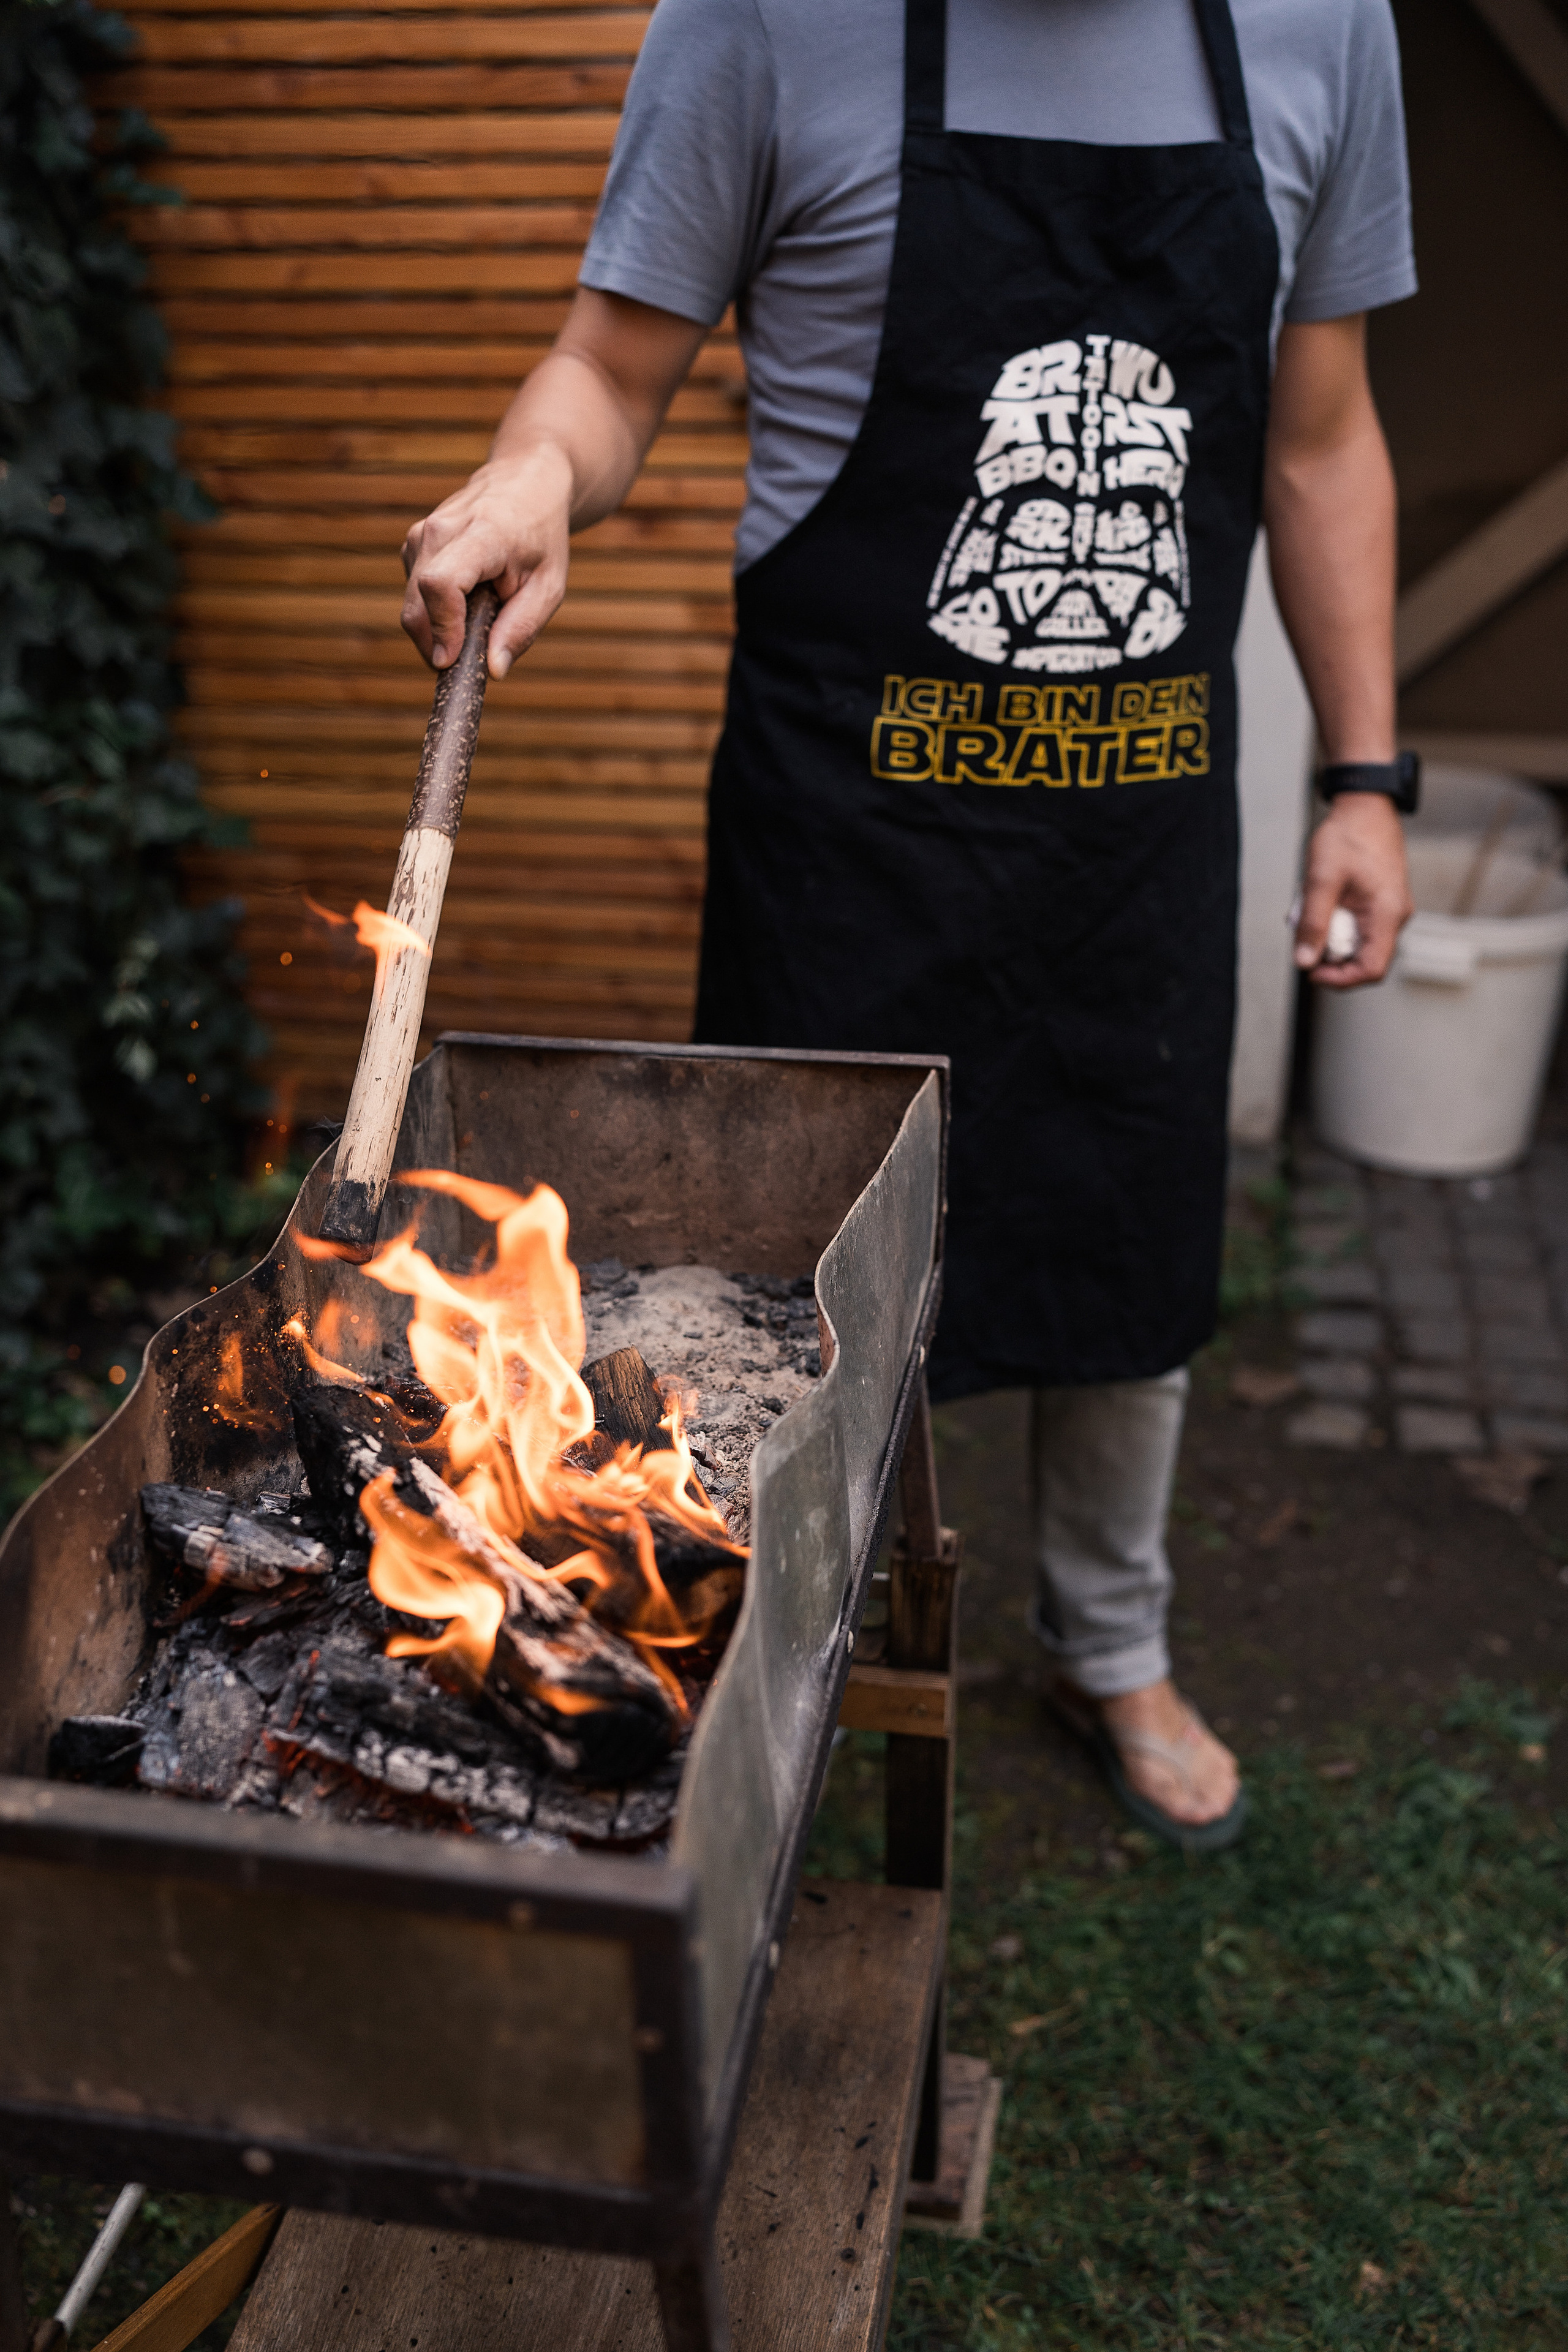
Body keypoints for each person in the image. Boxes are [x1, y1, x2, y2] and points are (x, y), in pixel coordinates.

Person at [400, 0, 1417, 1850]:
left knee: (1128, 1225)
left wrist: (1369, 775)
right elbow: (610, 372)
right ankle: (793, 1635)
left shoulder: (1320, 24)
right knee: (800, 1271)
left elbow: (1321, 435)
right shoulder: (764, 18)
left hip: (1140, 839)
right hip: (850, 830)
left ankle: (1111, 1637)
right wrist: (538, 475)